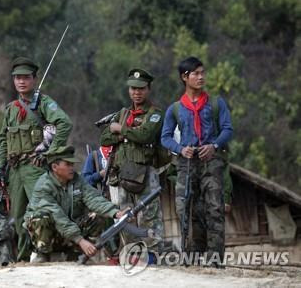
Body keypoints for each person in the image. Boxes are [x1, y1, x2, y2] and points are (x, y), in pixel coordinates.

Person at [0, 56, 73, 260]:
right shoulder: (11, 109)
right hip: (15, 170)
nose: (21, 81)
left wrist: (50, 153)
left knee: (43, 210)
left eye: (26, 77)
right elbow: (4, 138)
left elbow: (64, 123)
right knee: (18, 216)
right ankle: (22, 258)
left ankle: (50, 253)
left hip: (35, 166)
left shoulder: (43, 103)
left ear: (34, 79)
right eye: (17, 78)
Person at [161, 56, 233, 265]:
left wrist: (214, 146)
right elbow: (165, 137)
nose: (201, 77)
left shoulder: (216, 103)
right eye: (196, 73)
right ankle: (189, 256)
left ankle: (215, 259)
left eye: (203, 73)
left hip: (211, 161)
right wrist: (180, 149)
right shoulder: (175, 108)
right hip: (186, 163)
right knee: (184, 210)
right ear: (185, 77)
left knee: (214, 209)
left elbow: (228, 129)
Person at [99, 68, 165, 255]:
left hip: (145, 173)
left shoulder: (155, 113)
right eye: (133, 89)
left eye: (141, 88)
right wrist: (123, 133)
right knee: (125, 218)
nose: (136, 92)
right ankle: (132, 256)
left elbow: (145, 135)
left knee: (149, 218)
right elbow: (104, 138)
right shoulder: (123, 113)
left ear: (148, 89)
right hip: (122, 174)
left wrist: (120, 130)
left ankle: (154, 258)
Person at [24, 146, 125, 262]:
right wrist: (80, 240)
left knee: (97, 216)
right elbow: (58, 216)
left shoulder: (77, 180)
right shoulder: (43, 186)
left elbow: (93, 199)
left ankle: (79, 252)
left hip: (69, 232)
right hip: (56, 233)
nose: (72, 168)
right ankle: (43, 254)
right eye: (68, 164)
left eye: (72, 164)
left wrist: (116, 213)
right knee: (41, 217)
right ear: (54, 167)